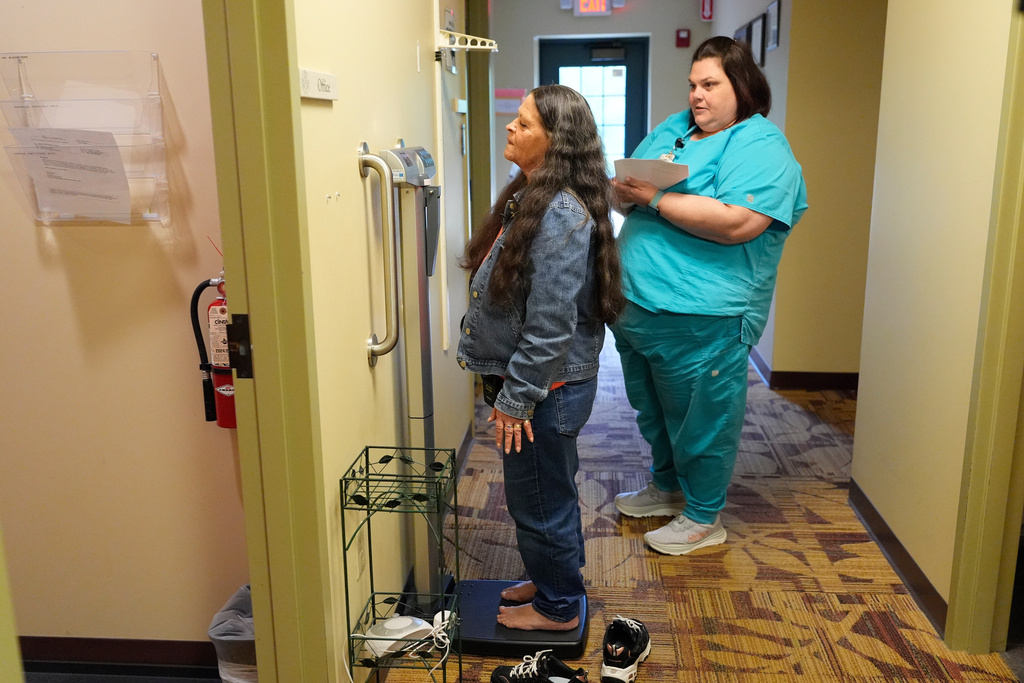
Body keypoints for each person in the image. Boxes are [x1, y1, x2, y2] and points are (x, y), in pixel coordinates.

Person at [610, 36, 808, 556]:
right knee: (653, 412)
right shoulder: (676, 128)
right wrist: (625, 193)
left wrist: (653, 196)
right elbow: (629, 188)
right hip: (638, 304)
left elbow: (738, 222)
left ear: (742, 86)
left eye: (710, 84)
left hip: (704, 315)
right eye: (693, 84)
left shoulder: (761, 146)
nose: (697, 95)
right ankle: (668, 488)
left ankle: (702, 516)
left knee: (702, 420)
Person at [457, 84, 625, 630]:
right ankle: (553, 577)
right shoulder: (532, 194)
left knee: (538, 500)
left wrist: (517, 400)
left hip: (543, 390)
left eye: (525, 124)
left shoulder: (559, 215)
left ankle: (555, 608)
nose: (511, 126)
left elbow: (550, 328)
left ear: (555, 143)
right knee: (546, 490)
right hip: (540, 386)